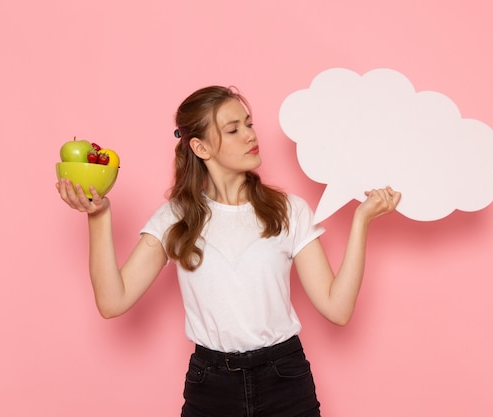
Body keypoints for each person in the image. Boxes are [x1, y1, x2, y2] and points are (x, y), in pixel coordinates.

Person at [56, 85, 401, 417]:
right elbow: (112, 301)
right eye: (233, 129)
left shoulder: (289, 210)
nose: (251, 135)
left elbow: (337, 309)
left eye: (249, 124)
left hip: (285, 380)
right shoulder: (176, 217)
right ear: (201, 148)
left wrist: (361, 222)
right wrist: (99, 216)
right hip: (210, 387)